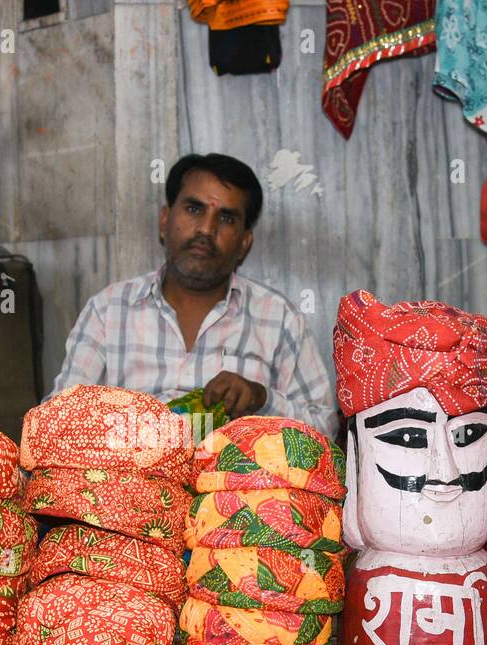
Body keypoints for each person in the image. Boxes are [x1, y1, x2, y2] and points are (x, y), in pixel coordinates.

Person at [49, 153, 338, 436]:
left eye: (226, 217)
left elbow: (325, 428)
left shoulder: (279, 318)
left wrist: (262, 400)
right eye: (194, 209)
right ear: (164, 221)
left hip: (239, 481)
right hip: (128, 481)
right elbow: (57, 420)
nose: (206, 229)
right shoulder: (109, 310)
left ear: (244, 243)